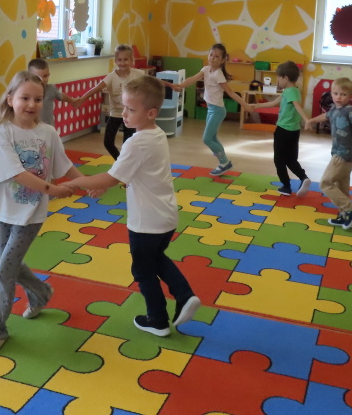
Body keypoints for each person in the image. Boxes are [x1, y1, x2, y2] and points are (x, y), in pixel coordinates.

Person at [64, 75, 200, 337]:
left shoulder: (136, 142)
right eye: (123, 107)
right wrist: (106, 183)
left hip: (145, 221)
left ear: (151, 113)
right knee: (155, 259)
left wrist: (74, 183)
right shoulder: (157, 135)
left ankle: (158, 320)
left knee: (142, 269)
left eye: (130, 109)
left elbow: (111, 177)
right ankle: (184, 294)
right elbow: (129, 173)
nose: (124, 114)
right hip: (165, 217)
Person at [0, 71, 80, 353]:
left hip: (32, 213)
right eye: (25, 98)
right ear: (10, 99)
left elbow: (64, 165)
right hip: (6, 209)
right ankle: (41, 293)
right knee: (9, 265)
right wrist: (53, 189)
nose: (32, 104)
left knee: (5, 270)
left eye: (38, 99)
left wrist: (87, 183)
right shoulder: (2, 132)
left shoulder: (48, 132)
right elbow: (17, 173)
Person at [305, 77, 352, 229]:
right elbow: (325, 116)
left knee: (326, 183)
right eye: (335, 93)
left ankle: (350, 209)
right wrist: (311, 121)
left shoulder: (349, 110)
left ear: (350, 96)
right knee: (341, 186)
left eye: (343, 94)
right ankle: (345, 216)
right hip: (340, 153)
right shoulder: (334, 109)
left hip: (344, 154)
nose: (338, 97)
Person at [172, 43, 253, 176]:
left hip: (217, 111)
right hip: (211, 109)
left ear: (223, 60)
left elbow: (231, 92)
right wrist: (180, 85)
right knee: (212, 138)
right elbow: (193, 79)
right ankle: (224, 162)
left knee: (207, 139)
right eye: (211, 55)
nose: (212, 58)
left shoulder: (218, 74)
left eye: (216, 56)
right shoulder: (206, 69)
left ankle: (224, 162)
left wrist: (245, 105)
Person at [250, 60, 312, 196]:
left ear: (286, 78)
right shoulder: (293, 90)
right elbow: (274, 103)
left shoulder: (290, 92)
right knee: (291, 159)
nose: (277, 80)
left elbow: (297, 106)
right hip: (294, 131)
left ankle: (286, 186)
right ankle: (303, 178)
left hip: (283, 130)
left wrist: (306, 119)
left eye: (278, 77)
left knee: (279, 160)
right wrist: (257, 106)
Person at [75, 44, 146, 160]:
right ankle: (120, 161)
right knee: (108, 142)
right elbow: (96, 88)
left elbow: (153, 82)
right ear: (115, 61)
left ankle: (126, 163)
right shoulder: (111, 77)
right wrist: (82, 99)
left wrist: (171, 85)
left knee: (127, 144)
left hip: (130, 114)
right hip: (115, 114)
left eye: (126, 59)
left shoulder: (138, 74)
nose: (122, 63)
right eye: (119, 60)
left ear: (131, 60)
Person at [27, 57, 80, 127]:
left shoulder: (51, 89)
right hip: (31, 127)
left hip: (48, 127)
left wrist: (72, 101)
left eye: (45, 76)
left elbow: (62, 96)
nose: (42, 80)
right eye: (38, 77)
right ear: (29, 75)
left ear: (48, 75)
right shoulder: (25, 91)